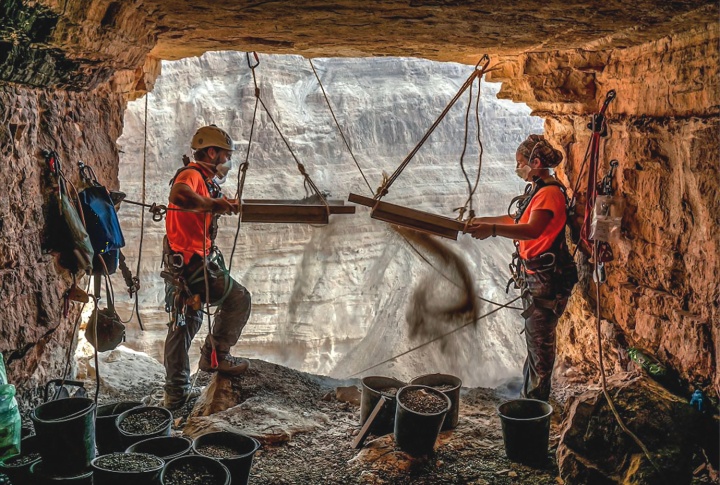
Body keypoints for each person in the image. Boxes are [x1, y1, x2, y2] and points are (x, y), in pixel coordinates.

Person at [466, 134, 577, 402]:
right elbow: (517, 218)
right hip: (536, 274)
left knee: (540, 343)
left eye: (520, 163)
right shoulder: (538, 190)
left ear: (535, 162)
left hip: (546, 278)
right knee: (535, 339)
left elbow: (532, 229)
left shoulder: (550, 193)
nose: (518, 168)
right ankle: (531, 398)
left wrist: (492, 230)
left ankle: (535, 407)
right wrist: (480, 221)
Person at [161, 124, 252, 410]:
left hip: (187, 263)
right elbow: (180, 196)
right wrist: (216, 205)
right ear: (211, 152)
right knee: (238, 299)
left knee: (186, 324)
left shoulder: (203, 179)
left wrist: (218, 204)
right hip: (190, 265)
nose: (226, 162)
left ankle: (176, 393)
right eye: (224, 155)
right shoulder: (191, 175)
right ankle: (217, 355)